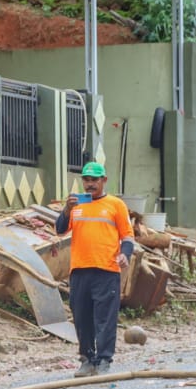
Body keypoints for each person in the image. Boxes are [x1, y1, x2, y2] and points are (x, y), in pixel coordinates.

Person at [55, 161, 135, 377]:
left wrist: (125, 255)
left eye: (94, 180)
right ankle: (87, 359)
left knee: (105, 318)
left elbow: (127, 236)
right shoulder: (77, 205)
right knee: (81, 317)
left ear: (104, 180)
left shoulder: (116, 205)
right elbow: (60, 230)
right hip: (80, 270)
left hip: (106, 269)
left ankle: (104, 360)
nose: (90, 184)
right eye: (86, 180)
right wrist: (66, 209)